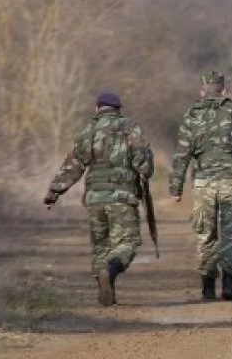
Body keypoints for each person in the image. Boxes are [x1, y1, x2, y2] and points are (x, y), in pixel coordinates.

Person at [43, 91, 154, 307]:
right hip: (122, 197)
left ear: (97, 109)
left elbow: (73, 166)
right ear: (118, 109)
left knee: (101, 245)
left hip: (94, 198)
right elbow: (145, 168)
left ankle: (104, 290)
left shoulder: (87, 131)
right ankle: (110, 271)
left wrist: (54, 192)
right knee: (127, 242)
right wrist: (146, 162)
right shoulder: (131, 128)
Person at [169, 70, 232, 301]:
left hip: (203, 182)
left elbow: (182, 153)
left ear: (202, 91)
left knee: (206, 233)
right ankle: (229, 286)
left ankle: (208, 286)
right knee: (230, 232)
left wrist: (176, 187)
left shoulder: (192, 115)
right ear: (224, 90)